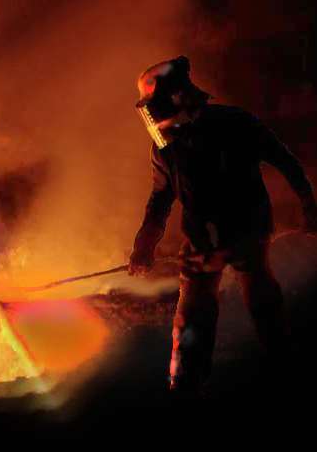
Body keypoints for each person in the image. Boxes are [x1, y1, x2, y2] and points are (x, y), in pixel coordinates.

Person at [128, 56, 317, 393]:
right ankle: (185, 384)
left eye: (156, 104)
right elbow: (160, 199)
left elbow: (285, 162)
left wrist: (308, 205)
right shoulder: (166, 149)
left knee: (262, 301)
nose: (153, 115)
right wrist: (144, 244)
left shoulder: (235, 124)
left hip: (247, 232)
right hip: (201, 242)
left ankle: (288, 373)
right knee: (194, 313)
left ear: (177, 96)